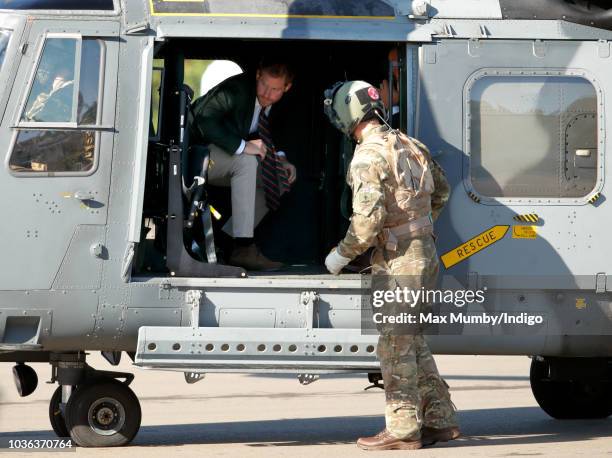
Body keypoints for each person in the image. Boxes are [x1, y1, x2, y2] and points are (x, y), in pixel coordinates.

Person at [323, 80, 459, 450]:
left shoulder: (368, 156)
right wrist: (415, 225)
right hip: (425, 254)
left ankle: (402, 430)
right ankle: (441, 420)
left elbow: (365, 224)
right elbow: (442, 190)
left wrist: (341, 255)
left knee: (394, 347)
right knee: (412, 341)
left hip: (399, 262)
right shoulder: (410, 145)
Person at [189, 60, 297, 271]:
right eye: (264, 85)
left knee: (279, 178)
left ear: (287, 88)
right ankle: (244, 246)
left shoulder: (275, 104)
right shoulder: (237, 90)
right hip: (197, 156)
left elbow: (265, 137)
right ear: (257, 75)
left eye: (275, 89)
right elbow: (202, 120)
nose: (267, 93)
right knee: (246, 161)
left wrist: (280, 159)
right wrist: (242, 145)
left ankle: (227, 244)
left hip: (225, 159)